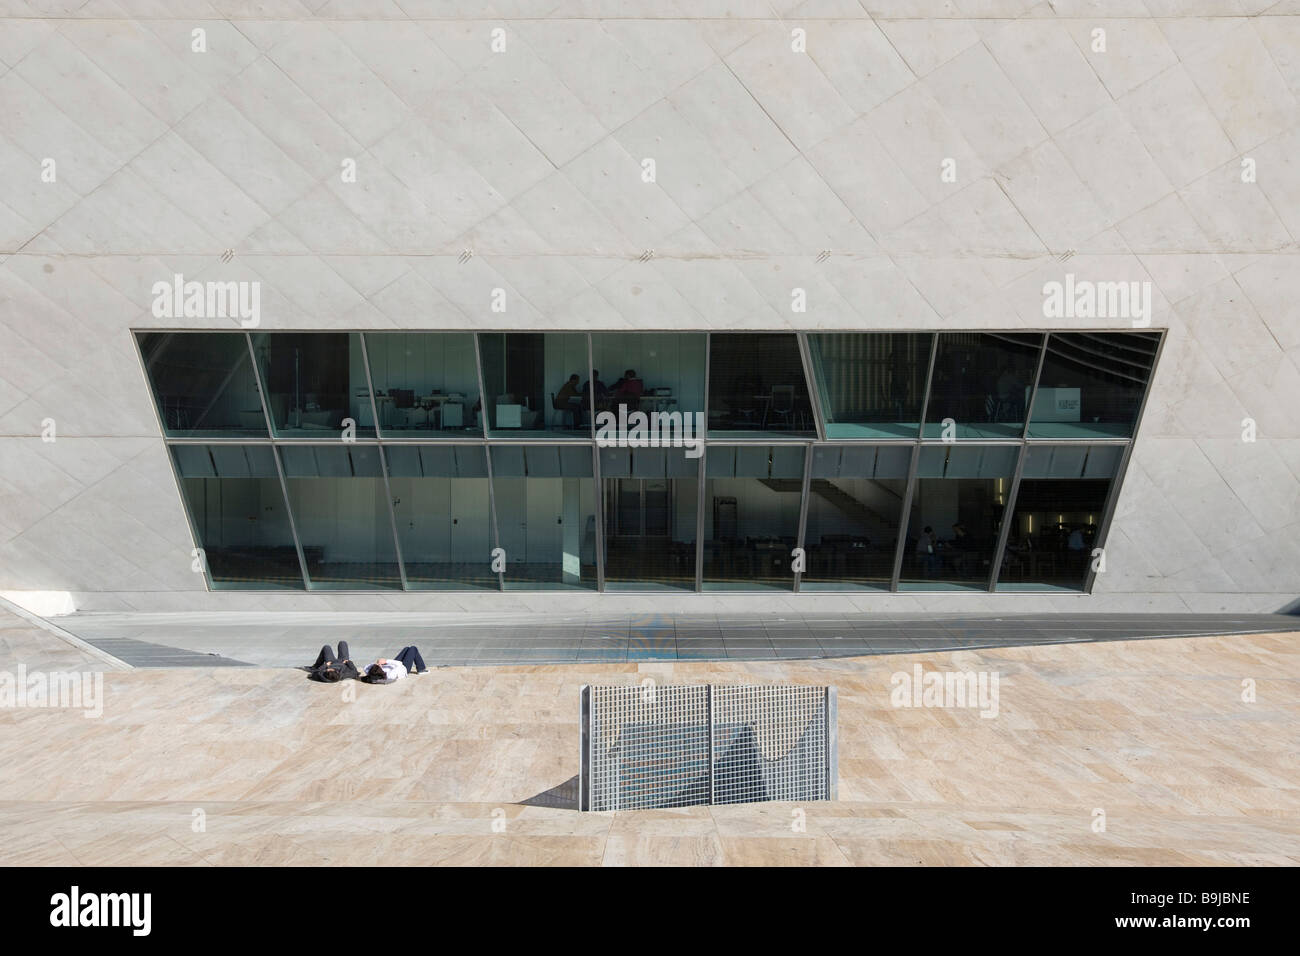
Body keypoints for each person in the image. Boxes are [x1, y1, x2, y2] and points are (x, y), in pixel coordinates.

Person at [362, 645, 428, 683]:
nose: (380, 665)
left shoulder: (371, 672)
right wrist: (386, 661)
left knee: (406, 649)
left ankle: (421, 668)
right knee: (413, 648)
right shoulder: (390, 675)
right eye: (379, 666)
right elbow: (399, 664)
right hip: (403, 668)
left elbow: (366, 667)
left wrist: (377, 663)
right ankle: (421, 669)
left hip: (392, 665)